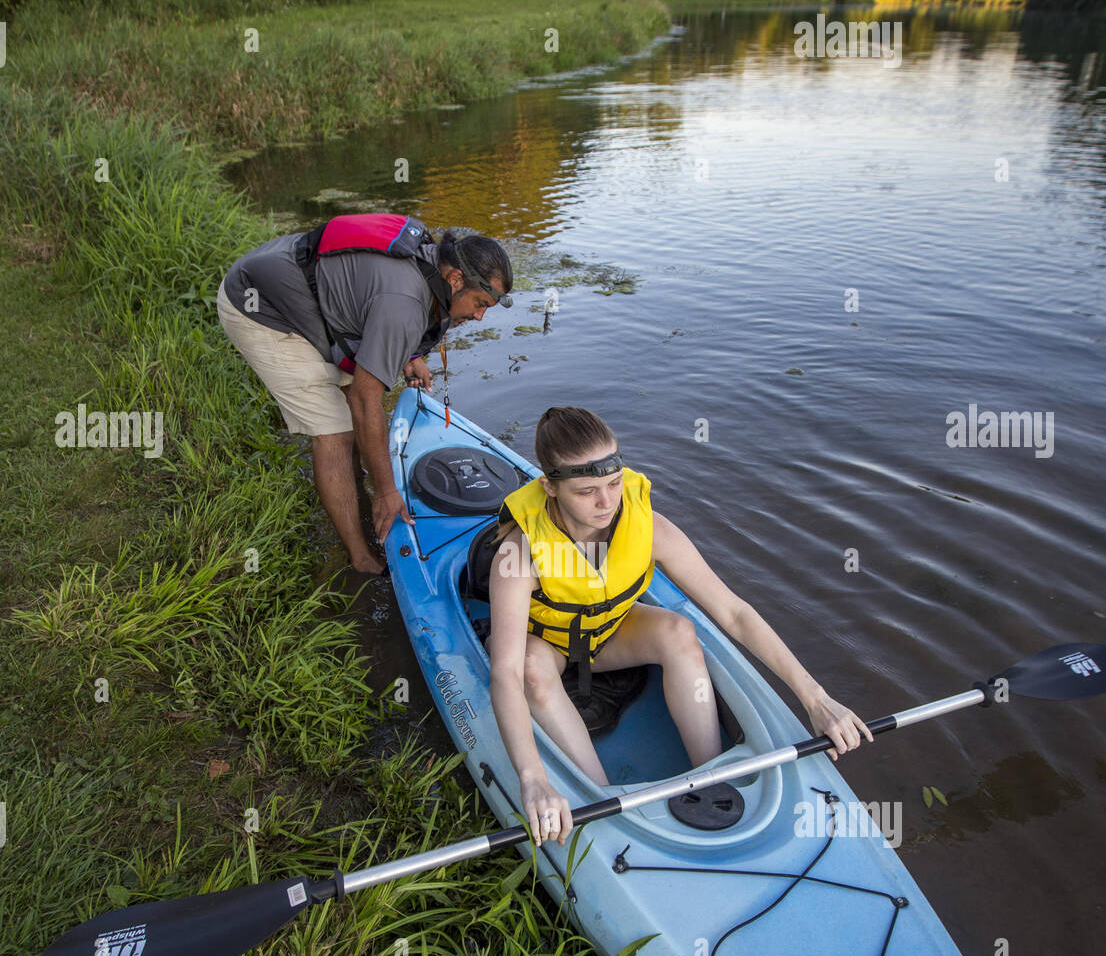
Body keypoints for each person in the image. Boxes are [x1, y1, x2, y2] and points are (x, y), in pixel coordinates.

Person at [488, 407, 873, 846]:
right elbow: (504, 672)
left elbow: (734, 613)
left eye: (614, 484)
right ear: (549, 487)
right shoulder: (519, 554)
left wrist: (816, 699)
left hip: (611, 635)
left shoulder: (649, 528)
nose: (606, 503)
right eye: (586, 491)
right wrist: (532, 776)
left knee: (678, 631)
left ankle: (713, 775)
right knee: (530, 668)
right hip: (552, 646)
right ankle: (601, 797)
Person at [218, 220, 513, 577]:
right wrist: (387, 491)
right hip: (261, 307)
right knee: (337, 431)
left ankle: (354, 486)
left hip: (303, 286)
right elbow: (365, 399)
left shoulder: (430, 264)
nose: (479, 316)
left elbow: (376, 305)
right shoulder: (402, 304)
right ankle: (360, 557)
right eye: (480, 303)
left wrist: (407, 355)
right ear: (454, 280)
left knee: (351, 407)